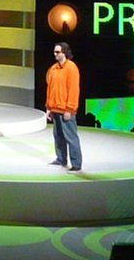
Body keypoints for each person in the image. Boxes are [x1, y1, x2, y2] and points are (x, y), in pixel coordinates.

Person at [46, 41, 83, 172]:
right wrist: (48, 107)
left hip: (66, 110)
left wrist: (70, 109)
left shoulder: (71, 68)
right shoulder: (53, 69)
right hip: (55, 108)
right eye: (54, 52)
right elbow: (50, 89)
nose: (55, 54)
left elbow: (73, 90)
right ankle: (61, 158)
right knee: (58, 136)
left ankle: (76, 163)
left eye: (57, 52)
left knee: (71, 137)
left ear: (65, 53)